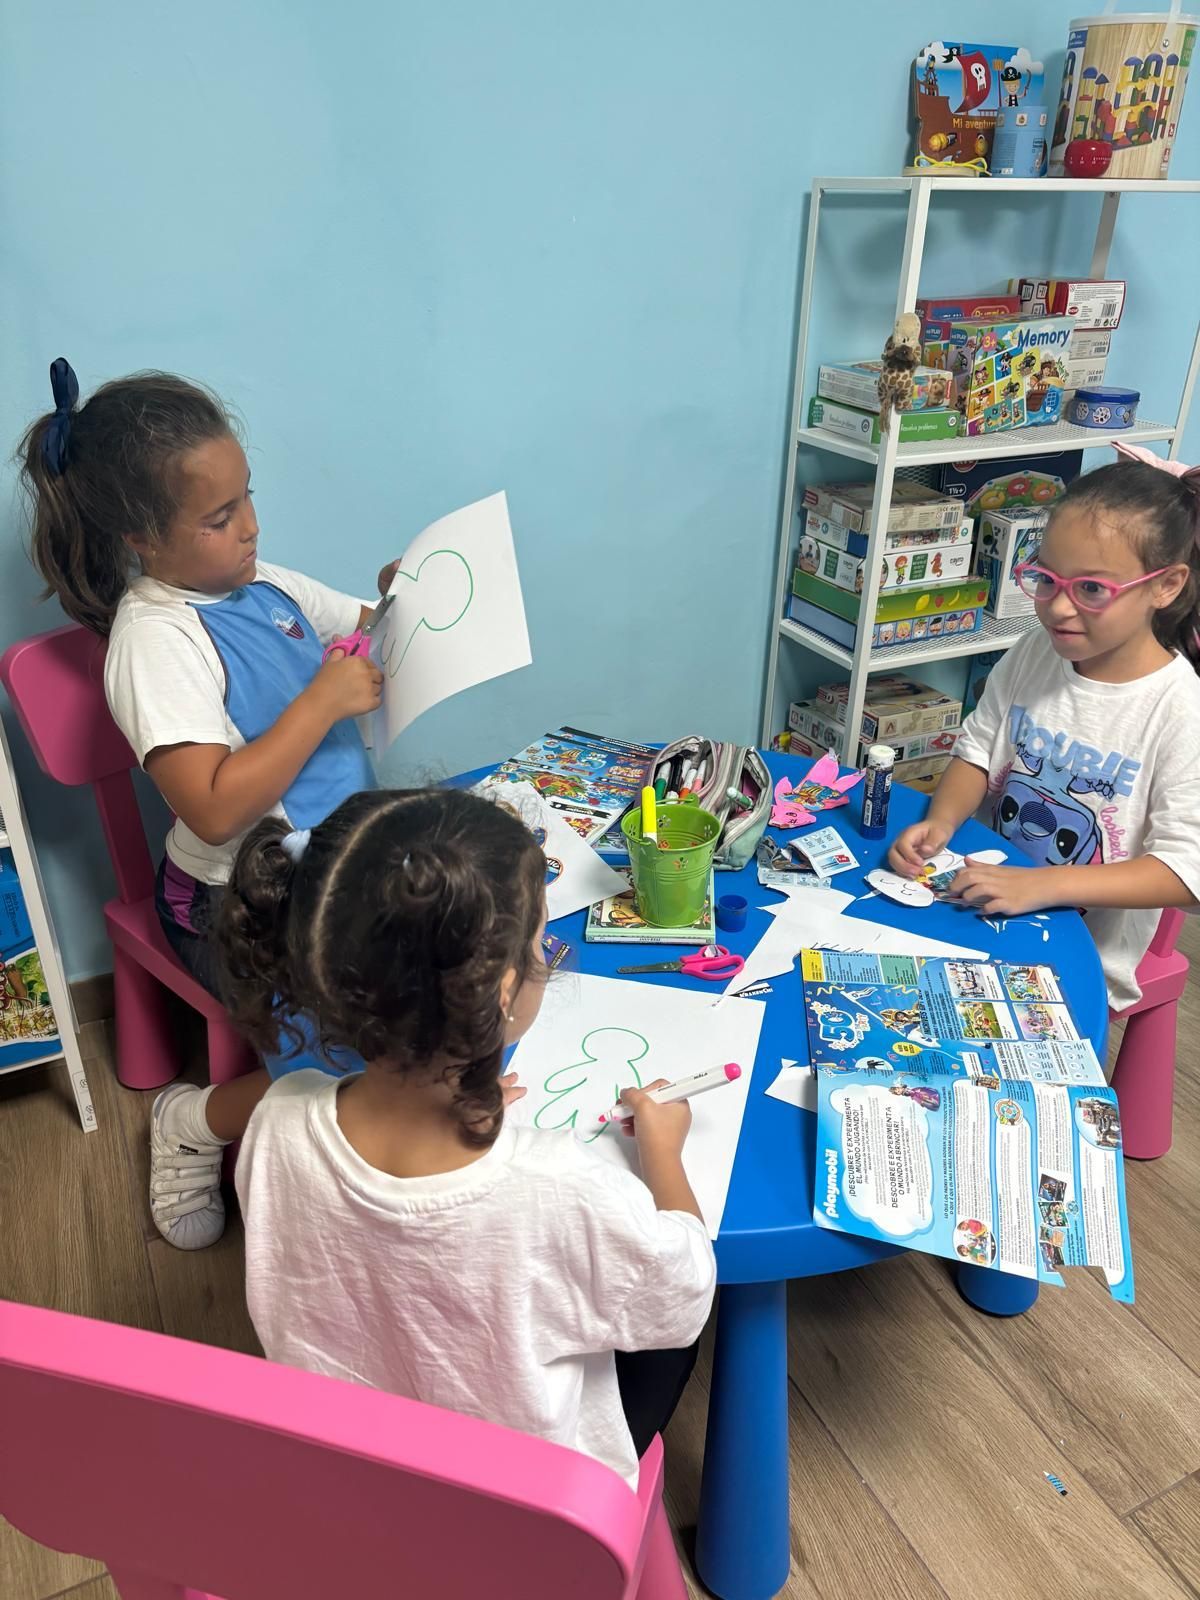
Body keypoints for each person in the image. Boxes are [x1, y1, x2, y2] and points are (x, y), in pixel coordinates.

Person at [219, 788, 715, 1485]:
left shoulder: (275, 1118)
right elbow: (684, 1295)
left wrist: (466, 1110)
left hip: (348, 1477)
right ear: (504, 990)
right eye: (542, 943)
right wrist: (661, 1152)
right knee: (667, 1341)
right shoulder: (559, 1185)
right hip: (526, 1516)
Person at [20, 359, 399, 1247]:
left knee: (433, 978)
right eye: (220, 517)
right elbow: (216, 810)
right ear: (141, 540)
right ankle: (193, 1123)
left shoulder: (266, 590)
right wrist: (319, 704)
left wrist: (399, 600)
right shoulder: (154, 641)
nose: (251, 528)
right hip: (235, 897)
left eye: (248, 500)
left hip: (339, 865)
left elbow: (369, 636)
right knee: (338, 1054)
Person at [889, 447, 1200, 1013]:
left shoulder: (1181, 710)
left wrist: (1044, 885)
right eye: (1045, 579)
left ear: (1166, 585)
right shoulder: (1035, 651)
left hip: (1071, 964)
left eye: (1092, 589)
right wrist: (940, 822)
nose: (1058, 608)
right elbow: (977, 753)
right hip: (975, 906)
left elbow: (1187, 873)